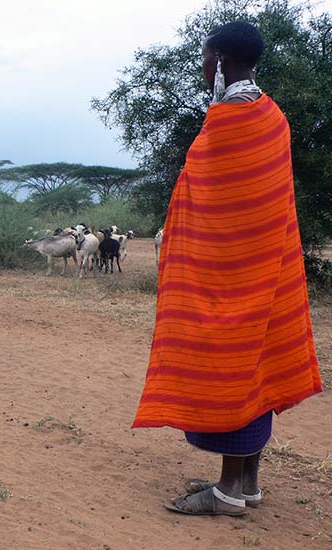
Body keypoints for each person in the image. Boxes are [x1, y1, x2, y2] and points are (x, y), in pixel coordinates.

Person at [132, 21, 322, 517]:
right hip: (268, 270)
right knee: (258, 366)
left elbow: (207, 199)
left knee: (231, 367)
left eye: (203, 58)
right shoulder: (272, 115)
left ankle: (227, 492)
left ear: (220, 61)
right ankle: (249, 482)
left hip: (229, 275)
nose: (201, 67)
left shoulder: (229, 120)